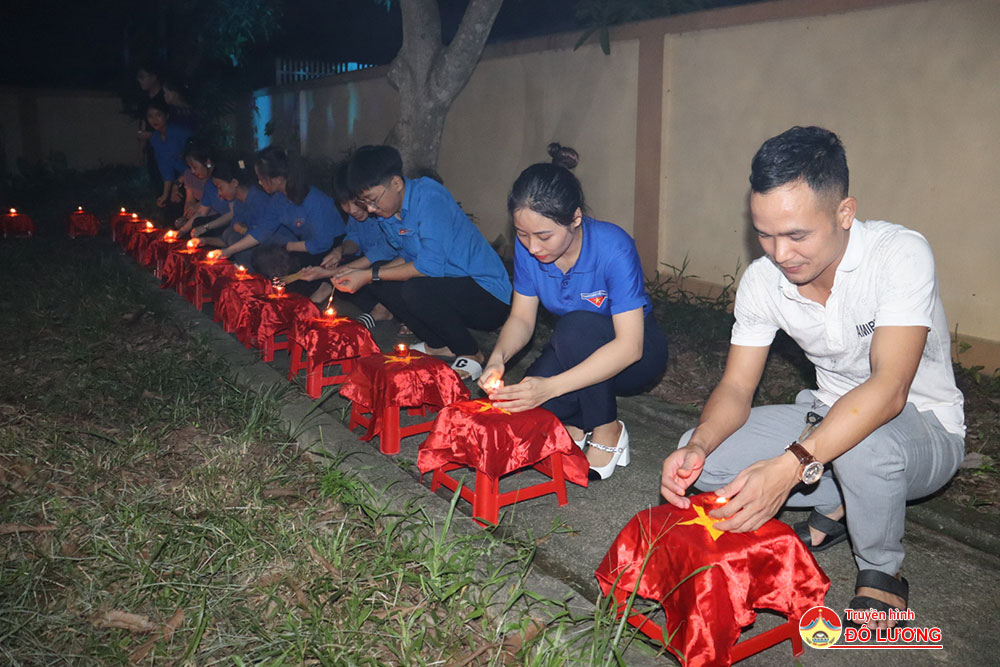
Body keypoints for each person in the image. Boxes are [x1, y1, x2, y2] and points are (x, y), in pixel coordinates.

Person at [659, 126, 965, 628]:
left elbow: (889, 390)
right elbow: (736, 387)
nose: (780, 254)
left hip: (921, 429)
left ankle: (882, 570)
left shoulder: (899, 254)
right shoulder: (764, 281)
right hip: (823, 418)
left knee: (864, 446)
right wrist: (699, 444)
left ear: (844, 213)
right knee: (705, 461)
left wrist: (788, 468)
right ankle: (849, 500)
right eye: (765, 234)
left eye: (797, 235)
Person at [478, 144, 668, 479]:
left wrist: (551, 386)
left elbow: (630, 346)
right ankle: (578, 424)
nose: (533, 247)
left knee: (575, 330)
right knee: (525, 404)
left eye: (544, 236)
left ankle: (608, 429)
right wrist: (497, 358)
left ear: (576, 218)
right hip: (573, 348)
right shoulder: (529, 249)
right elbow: (521, 318)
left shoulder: (612, 246)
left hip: (636, 357)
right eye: (522, 234)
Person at [333, 145, 512, 380]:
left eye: (373, 200)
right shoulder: (389, 214)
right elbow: (404, 256)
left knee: (415, 288)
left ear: (396, 183)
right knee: (381, 278)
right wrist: (362, 271)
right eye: (364, 202)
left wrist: (368, 274)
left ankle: (471, 353)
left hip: (487, 296)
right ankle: (438, 345)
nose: (370, 209)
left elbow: (428, 267)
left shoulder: (430, 199)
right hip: (449, 287)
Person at [297, 160, 395, 329]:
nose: (352, 209)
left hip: (389, 267)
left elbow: (380, 254)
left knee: (374, 268)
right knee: (334, 259)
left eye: (355, 201)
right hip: (368, 261)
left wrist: (329, 273)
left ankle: (382, 310)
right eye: (344, 203)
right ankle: (322, 293)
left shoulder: (384, 214)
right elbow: (354, 238)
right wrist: (339, 251)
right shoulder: (356, 214)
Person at [252, 147, 346, 303]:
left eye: (261, 178)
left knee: (296, 272)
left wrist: (287, 247)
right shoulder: (278, 199)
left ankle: (323, 288)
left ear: (278, 179)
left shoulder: (314, 200)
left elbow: (322, 243)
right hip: (306, 246)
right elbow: (262, 230)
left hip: (331, 247)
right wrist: (227, 251)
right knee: (262, 257)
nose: (260, 183)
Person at [144, 99, 193, 219]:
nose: (154, 120)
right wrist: (165, 194)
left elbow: (195, 163)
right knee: (170, 205)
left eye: (158, 115)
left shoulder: (180, 133)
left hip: (196, 176)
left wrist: (177, 184)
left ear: (166, 116)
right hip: (181, 178)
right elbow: (165, 167)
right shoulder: (155, 138)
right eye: (150, 116)